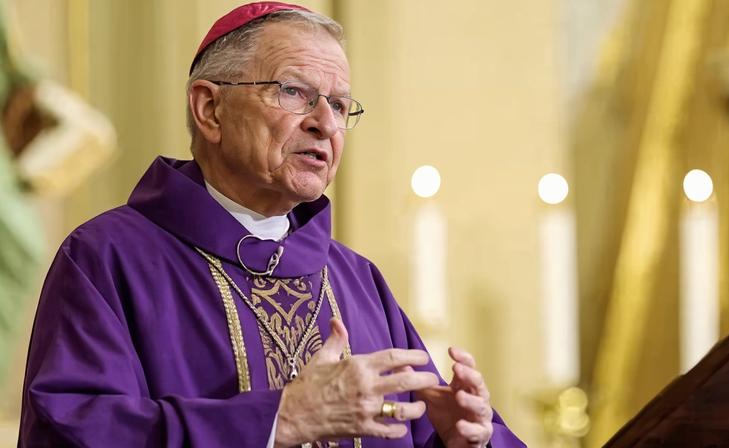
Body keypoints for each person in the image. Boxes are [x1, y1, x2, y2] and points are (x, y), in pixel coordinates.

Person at [19, 2, 525, 447]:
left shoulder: (357, 279)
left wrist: (465, 442)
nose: (325, 123)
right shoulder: (108, 258)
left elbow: (426, 428)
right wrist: (277, 420)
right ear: (210, 109)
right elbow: (75, 431)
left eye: (340, 105)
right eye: (294, 92)